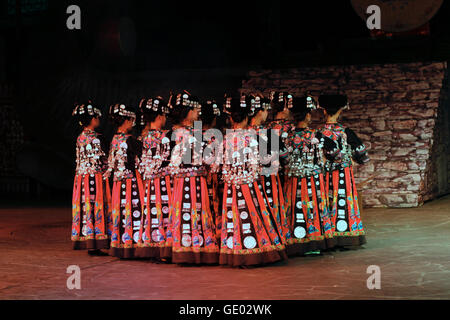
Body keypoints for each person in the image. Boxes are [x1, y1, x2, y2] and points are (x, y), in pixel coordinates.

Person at [218, 95, 287, 267]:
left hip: (230, 186)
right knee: (253, 212)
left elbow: (215, 165)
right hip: (250, 183)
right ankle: (256, 250)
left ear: (230, 117)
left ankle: (236, 253)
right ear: (248, 116)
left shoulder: (224, 139)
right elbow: (266, 161)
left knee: (234, 215)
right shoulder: (255, 137)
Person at [168, 91, 220, 264]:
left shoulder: (174, 132)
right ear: (188, 111)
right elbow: (206, 158)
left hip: (181, 182)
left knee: (184, 212)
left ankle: (183, 249)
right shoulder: (193, 133)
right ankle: (198, 249)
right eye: (196, 110)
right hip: (195, 180)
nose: (198, 113)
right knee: (196, 211)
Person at [284, 96, 335, 255]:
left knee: (294, 206)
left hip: (293, 179)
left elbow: (282, 156)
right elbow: (333, 150)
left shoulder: (287, 135)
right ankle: (314, 241)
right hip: (313, 179)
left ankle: (295, 241)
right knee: (313, 207)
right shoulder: (315, 134)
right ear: (308, 116)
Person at [318, 94, 369, 247]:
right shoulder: (346, 132)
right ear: (341, 110)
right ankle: (347, 236)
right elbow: (362, 154)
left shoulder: (317, 133)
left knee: (326, 201)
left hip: (324, 175)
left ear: (324, 111)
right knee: (343, 202)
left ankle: (328, 235)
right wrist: (351, 160)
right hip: (343, 175)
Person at [247, 94, 292, 254]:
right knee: (270, 207)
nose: (267, 113)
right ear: (259, 112)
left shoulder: (239, 134)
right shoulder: (269, 134)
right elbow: (285, 156)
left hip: (248, 183)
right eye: (265, 110)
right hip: (269, 180)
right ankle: (274, 238)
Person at [104, 103, 144, 258]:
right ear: (127, 120)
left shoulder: (114, 139)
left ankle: (120, 243)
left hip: (117, 183)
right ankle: (132, 245)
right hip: (131, 183)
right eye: (132, 120)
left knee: (120, 212)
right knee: (134, 211)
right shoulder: (130, 141)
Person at [135, 97, 172, 259]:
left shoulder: (143, 138)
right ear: (159, 117)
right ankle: (164, 249)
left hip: (149, 183)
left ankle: (152, 247)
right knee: (166, 211)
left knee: (151, 211)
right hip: (165, 182)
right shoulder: (166, 136)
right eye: (164, 116)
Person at [71, 102, 110, 255]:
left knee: (87, 207)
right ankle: (96, 242)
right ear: (92, 119)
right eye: (97, 117)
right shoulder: (96, 138)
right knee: (95, 206)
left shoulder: (80, 137)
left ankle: (89, 241)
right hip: (94, 178)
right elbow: (104, 160)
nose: (98, 119)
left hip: (81, 179)